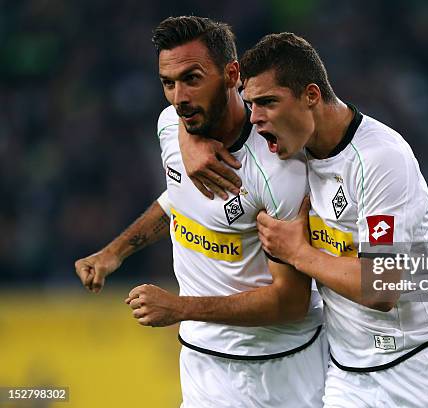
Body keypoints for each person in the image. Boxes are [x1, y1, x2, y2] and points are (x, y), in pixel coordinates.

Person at [181, 32, 428, 407]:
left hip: (423, 373)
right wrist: (189, 139)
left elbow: (382, 287)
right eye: (251, 104)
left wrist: (299, 253)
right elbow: (200, 106)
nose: (256, 119)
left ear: (311, 96)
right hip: (349, 378)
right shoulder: (290, 147)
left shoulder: (379, 159)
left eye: (268, 103)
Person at [74, 17, 325, 407]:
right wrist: (114, 252)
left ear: (231, 74)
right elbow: (177, 200)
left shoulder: (278, 166)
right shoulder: (169, 126)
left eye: (192, 78)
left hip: (281, 369)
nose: (179, 97)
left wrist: (181, 307)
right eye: (168, 83)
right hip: (202, 365)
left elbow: (291, 303)